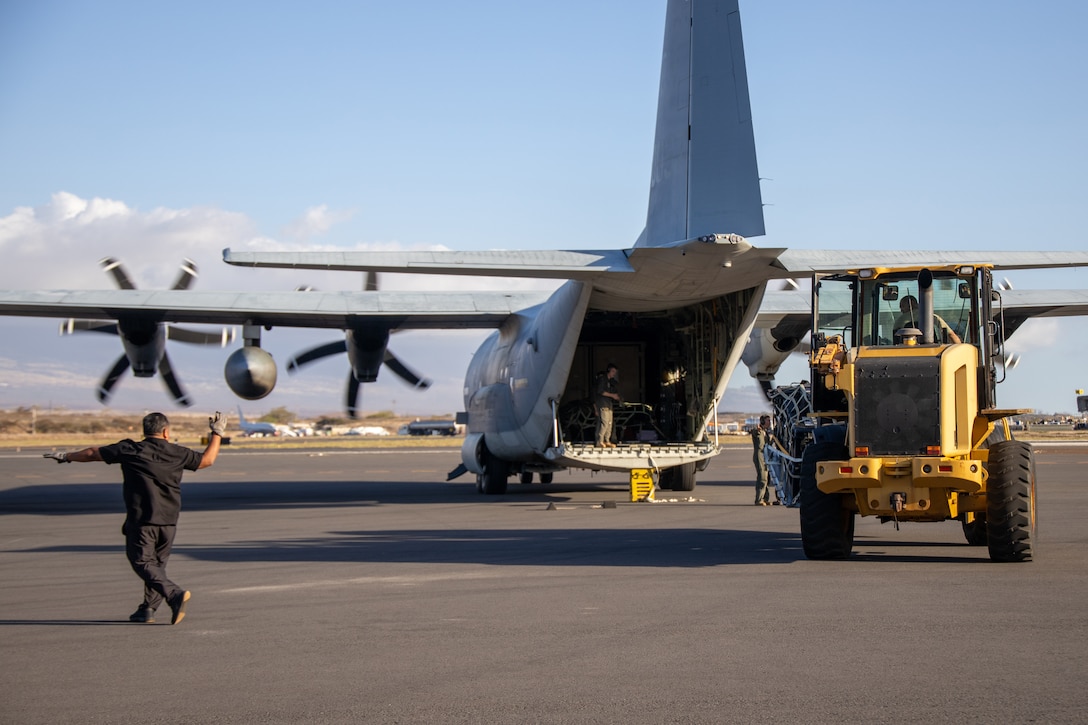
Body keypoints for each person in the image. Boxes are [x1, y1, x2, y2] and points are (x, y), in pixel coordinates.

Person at [43, 411, 225, 624]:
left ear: (145, 431)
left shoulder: (130, 449)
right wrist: (217, 433)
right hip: (169, 520)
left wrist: (67, 457)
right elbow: (207, 460)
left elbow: (93, 453)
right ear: (166, 432)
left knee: (141, 561)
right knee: (156, 566)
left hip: (143, 519)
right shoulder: (177, 453)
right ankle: (147, 609)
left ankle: (174, 594)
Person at [894, 295, 961, 343]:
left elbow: (895, 341)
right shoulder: (934, 318)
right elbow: (951, 335)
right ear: (917, 305)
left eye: (902, 306)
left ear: (912, 305)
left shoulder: (900, 320)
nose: (901, 310)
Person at [751, 414, 779, 506]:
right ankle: (759, 499)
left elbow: (768, 445)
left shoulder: (766, 432)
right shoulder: (758, 431)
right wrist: (758, 429)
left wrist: (773, 439)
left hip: (766, 456)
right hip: (760, 456)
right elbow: (755, 432)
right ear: (763, 422)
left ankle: (765, 499)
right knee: (762, 477)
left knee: (767, 478)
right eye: (768, 421)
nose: (769, 422)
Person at [594, 363, 621, 447]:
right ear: (608, 371)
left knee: (609, 422)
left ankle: (607, 440)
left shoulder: (610, 382)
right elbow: (601, 391)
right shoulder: (603, 379)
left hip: (608, 403)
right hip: (603, 403)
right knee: (605, 422)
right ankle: (600, 441)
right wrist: (612, 395)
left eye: (615, 372)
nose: (614, 373)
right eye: (613, 371)